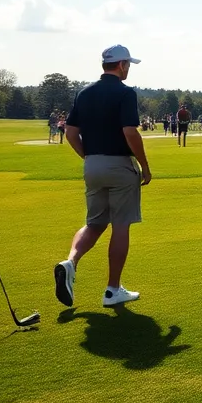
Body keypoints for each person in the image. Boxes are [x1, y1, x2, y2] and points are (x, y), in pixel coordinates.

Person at [54, 45, 153, 309]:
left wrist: (89, 157)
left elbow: (71, 133)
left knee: (95, 223)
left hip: (92, 165)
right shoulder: (125, 92)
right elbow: (130, 132)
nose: (128, 68)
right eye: (128, 64)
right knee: (121, 225)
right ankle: (112, 290)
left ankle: (70, 262)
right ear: (121, 65)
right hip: (120, 166)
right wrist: (144, 164)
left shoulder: (84, 93)